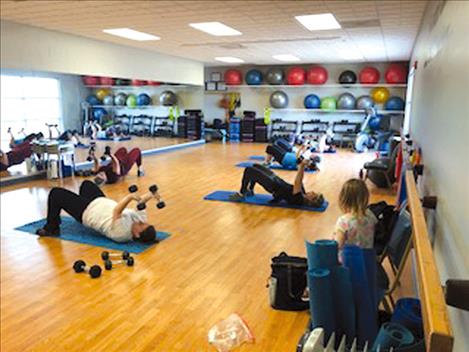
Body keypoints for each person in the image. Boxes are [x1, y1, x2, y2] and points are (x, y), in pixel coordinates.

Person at [36, 180, 158, 243]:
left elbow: (117, 211)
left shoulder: (122, 234)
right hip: (100, 201)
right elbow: (140, 203)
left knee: (56, 193)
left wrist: (129, 197)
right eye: (143, 223)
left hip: (87, 211)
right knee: (86, 184)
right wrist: (152, 194)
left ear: (137, 235)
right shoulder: (139, 222)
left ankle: (52, 228)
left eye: (141, 225)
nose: (141, 222)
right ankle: (75, 203)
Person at [229, 160, 324, 207]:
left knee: (249, 170)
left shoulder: (299, 199)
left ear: (312, 200)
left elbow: (297, 181)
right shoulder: (303, 193)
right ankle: (250, 190)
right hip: (276, 179)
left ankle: (242, 194)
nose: (312, 192)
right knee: (255, 166)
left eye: (314, 194)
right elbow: (300, 181)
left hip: (272, 185)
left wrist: (302, 166)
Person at [332, 179, 377, 250]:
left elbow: (337, 246)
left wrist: (334, 237)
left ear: (343, 199)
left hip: (349, 259)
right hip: (368, 258)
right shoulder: (370, 215)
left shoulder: (343, 221)